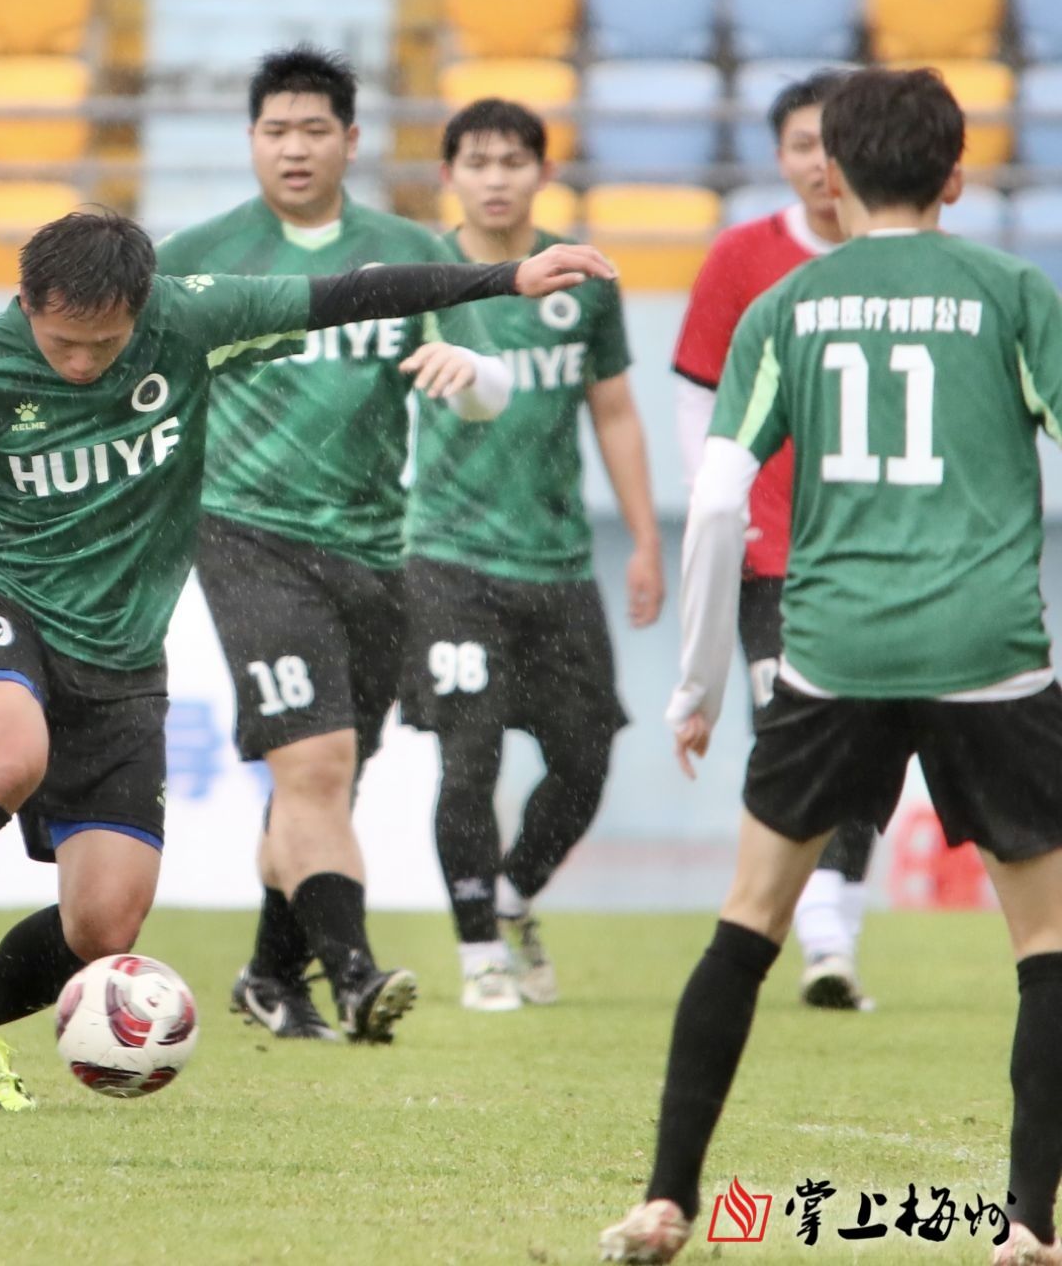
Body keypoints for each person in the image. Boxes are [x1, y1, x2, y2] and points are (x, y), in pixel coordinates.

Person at [0, 209, 614, 1109]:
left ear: (141, 307)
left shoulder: (190, 319)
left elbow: (355, 294)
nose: (82, 362)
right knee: (6, 757)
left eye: (104, 345)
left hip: (120, 655)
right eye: (62, 344)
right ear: (26, 303)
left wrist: (504, 279)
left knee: (105, 921)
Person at [602, 67, 1062, 1266]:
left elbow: (714, 504)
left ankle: (664, 1200)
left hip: (832, 646)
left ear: (833, 175)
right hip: (990, 653)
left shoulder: (789, 308)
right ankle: (1024, 1229)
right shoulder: (1015, 292)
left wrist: (699, 681)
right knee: (1048, 947)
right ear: (957, 177)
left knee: (748, 925)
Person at [157, 46, 504, 1043]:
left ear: (352, 141)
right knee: (313, 766)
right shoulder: (198, 255)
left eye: (316, 130)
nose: (295, 148)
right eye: (276, 130)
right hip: (245, 537)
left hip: (373, 548)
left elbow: (488, 397)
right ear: (251, 142)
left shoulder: (404, 252)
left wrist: (466, 369)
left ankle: (272, 976)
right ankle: (353, 977)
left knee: (329, 781)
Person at [404, 99, 663, 1012]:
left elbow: (616, 411)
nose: (497, 176)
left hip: (556, 561)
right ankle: (478, 950)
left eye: (515, 159)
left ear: (542, 174)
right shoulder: (419, 276)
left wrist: (643, 542)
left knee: (586, 756)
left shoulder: (580, 277)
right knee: (468, 758)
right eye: (477, 160)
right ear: (449, 176)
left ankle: (513, 896)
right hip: (447, 558)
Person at [673, 69, 879, 1012]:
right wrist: (718, 501)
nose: (821, 163)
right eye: (803, 144)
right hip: (776, 549)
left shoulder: (911, 261)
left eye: (836, 143)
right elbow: (694, 396)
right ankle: (825, 934)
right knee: (793, 736)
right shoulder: (741, 258)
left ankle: (834, 917)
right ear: (781, 156)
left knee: (876, 742)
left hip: (887, 547)